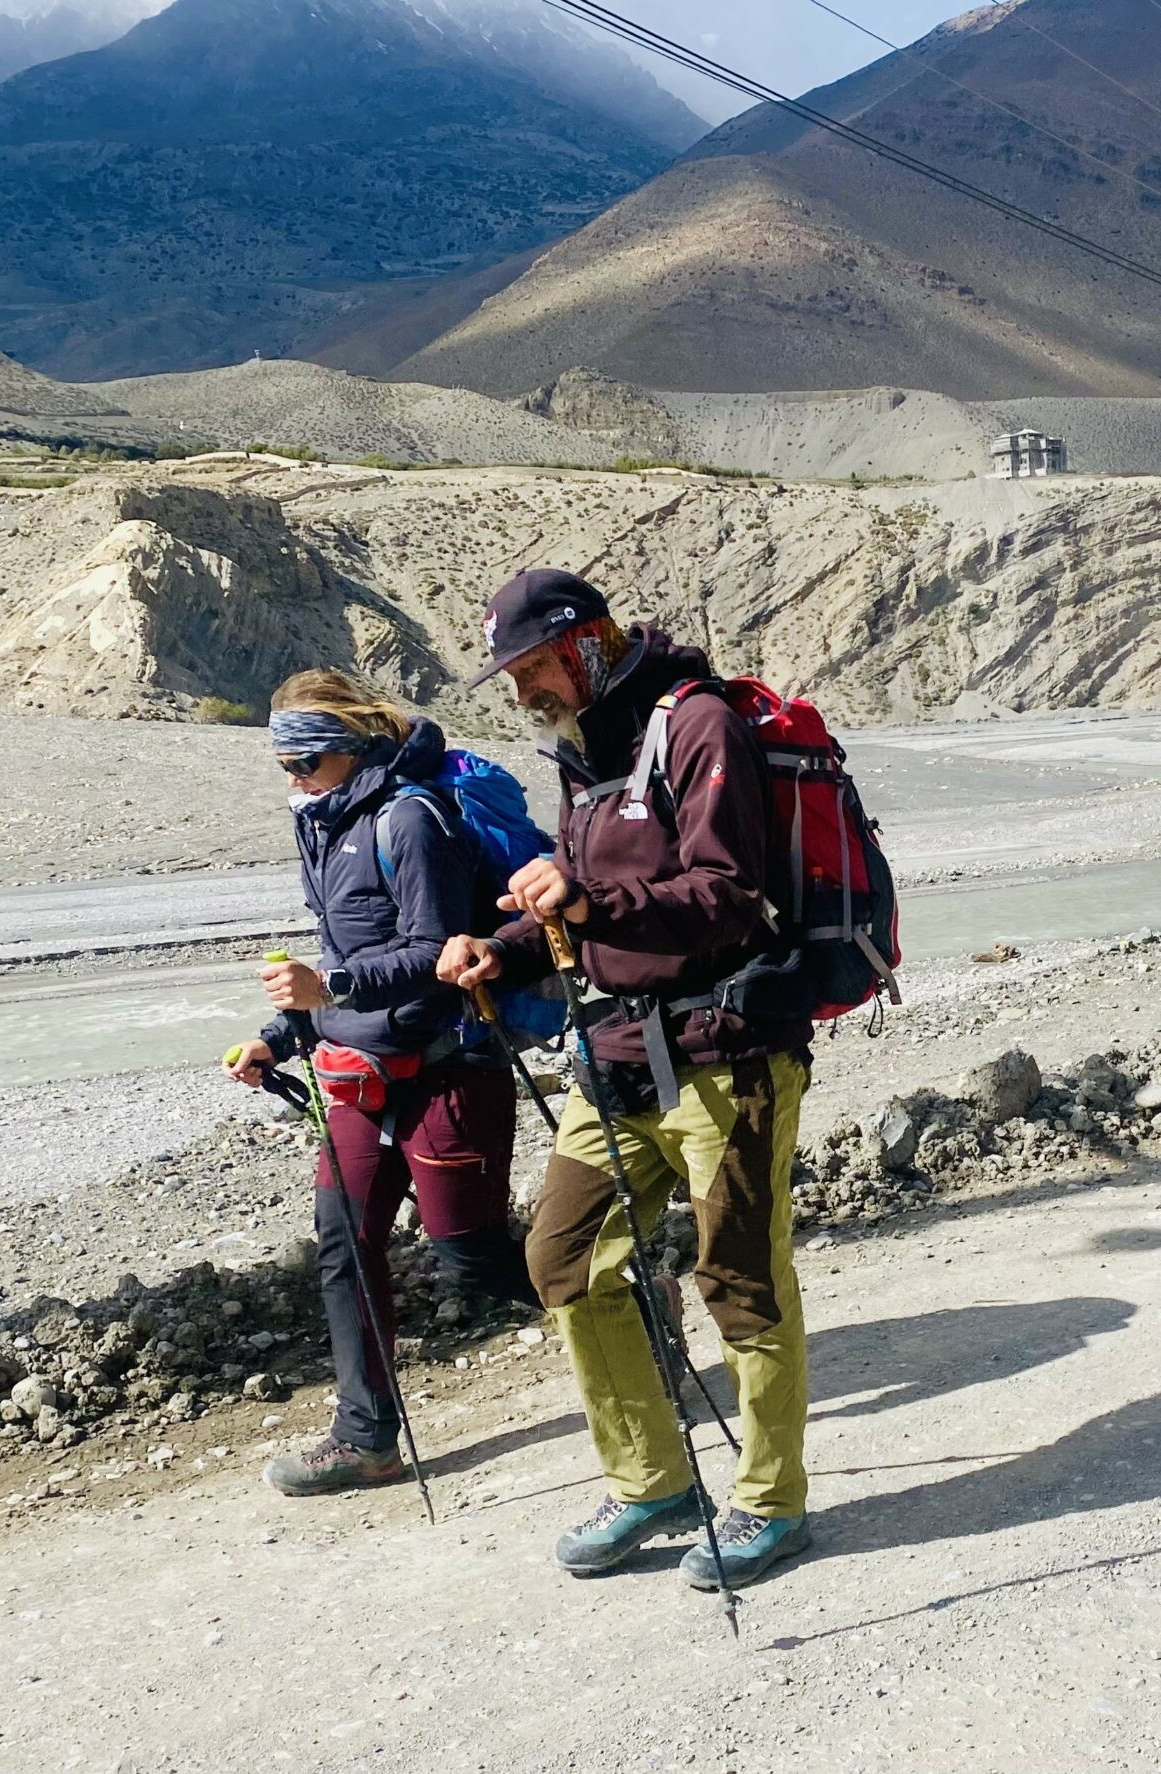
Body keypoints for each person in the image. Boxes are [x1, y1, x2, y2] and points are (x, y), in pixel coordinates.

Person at [435, 569, 816, 1591]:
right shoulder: (585, 750)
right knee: (563, 1259)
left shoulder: (697, 727)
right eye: (512, 677)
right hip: (612, 1052)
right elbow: (579, 903)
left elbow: (725, 896)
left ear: (586, 641)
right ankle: (648, 1477)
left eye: (529, 669)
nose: (521, 693)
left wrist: (586, 897)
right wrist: (503, 950)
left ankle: (770, 1501)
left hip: (725, 1051)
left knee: (739, 1279)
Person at [224, 669, 538, 1495]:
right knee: (345, 1246)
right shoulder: (325, 826)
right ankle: (365, 1439)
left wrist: (326, 994)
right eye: (285, 767)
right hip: (362, 1072)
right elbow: (341, 961)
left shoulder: (411, 819)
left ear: (353, 748)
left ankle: (639, 1309)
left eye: (308, 763)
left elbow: (437, 956)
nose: (294, 782)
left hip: (450, 1065)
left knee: (469, 1254)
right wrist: (279, 1037)